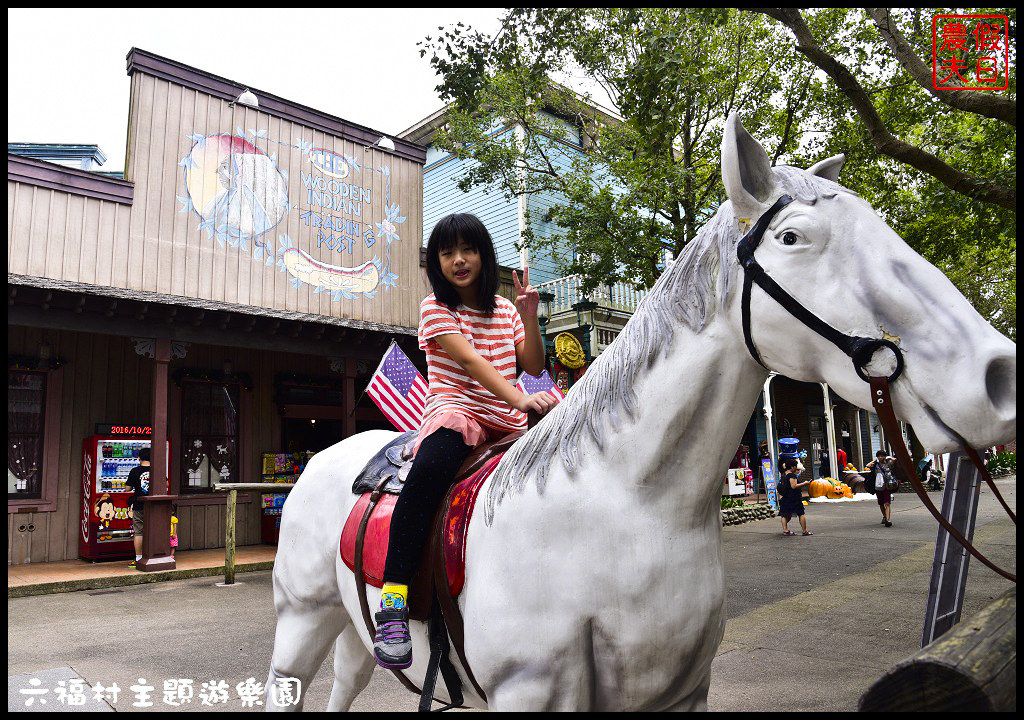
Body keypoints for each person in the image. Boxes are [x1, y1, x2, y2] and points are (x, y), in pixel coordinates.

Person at [373, 213, 559, 670]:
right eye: (447, 252)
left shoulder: (506, 310)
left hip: (507, 417)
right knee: (429, 475)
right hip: (458, 411)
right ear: (437, 261)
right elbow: (473, 364)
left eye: (467, 250)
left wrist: (531, 317)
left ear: (483, 255)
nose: (458, 260)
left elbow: (533, 365)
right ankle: (394, 600)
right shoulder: (435, 309)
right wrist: (523, 399)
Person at [125, 448, 152, 569]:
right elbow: (166, 485)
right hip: (154, 506)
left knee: (139, 532)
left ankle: (138, 558)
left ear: (139, 458)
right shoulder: (157, 470)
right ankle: (153, 556)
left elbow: (128, 489)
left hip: (139, 505)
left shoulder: (135, 471)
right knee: (153, 531)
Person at [778, 457, 812, 536]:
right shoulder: (792, 475)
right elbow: (794, 486)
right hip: (794, 497)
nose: (796, 468)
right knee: (801, 513)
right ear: (792, 467)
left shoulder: (783, 474)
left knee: (785, 514)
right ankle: (805, 531)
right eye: (795, 466)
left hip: (785, 497)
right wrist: (805, 483)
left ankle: (786, 530)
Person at [865, 450, 895, 527]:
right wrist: (874, 461)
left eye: (882, 456)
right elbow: (867, 466)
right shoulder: (875, 465)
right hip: (878, 486)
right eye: (879, 456)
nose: (880, 457)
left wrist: (889, 458)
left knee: (887, 503)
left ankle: (888, 520)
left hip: (887, 486)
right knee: (881, 503)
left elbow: (895, 460)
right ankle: (884, 516)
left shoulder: (888, 464)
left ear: (885, 456)